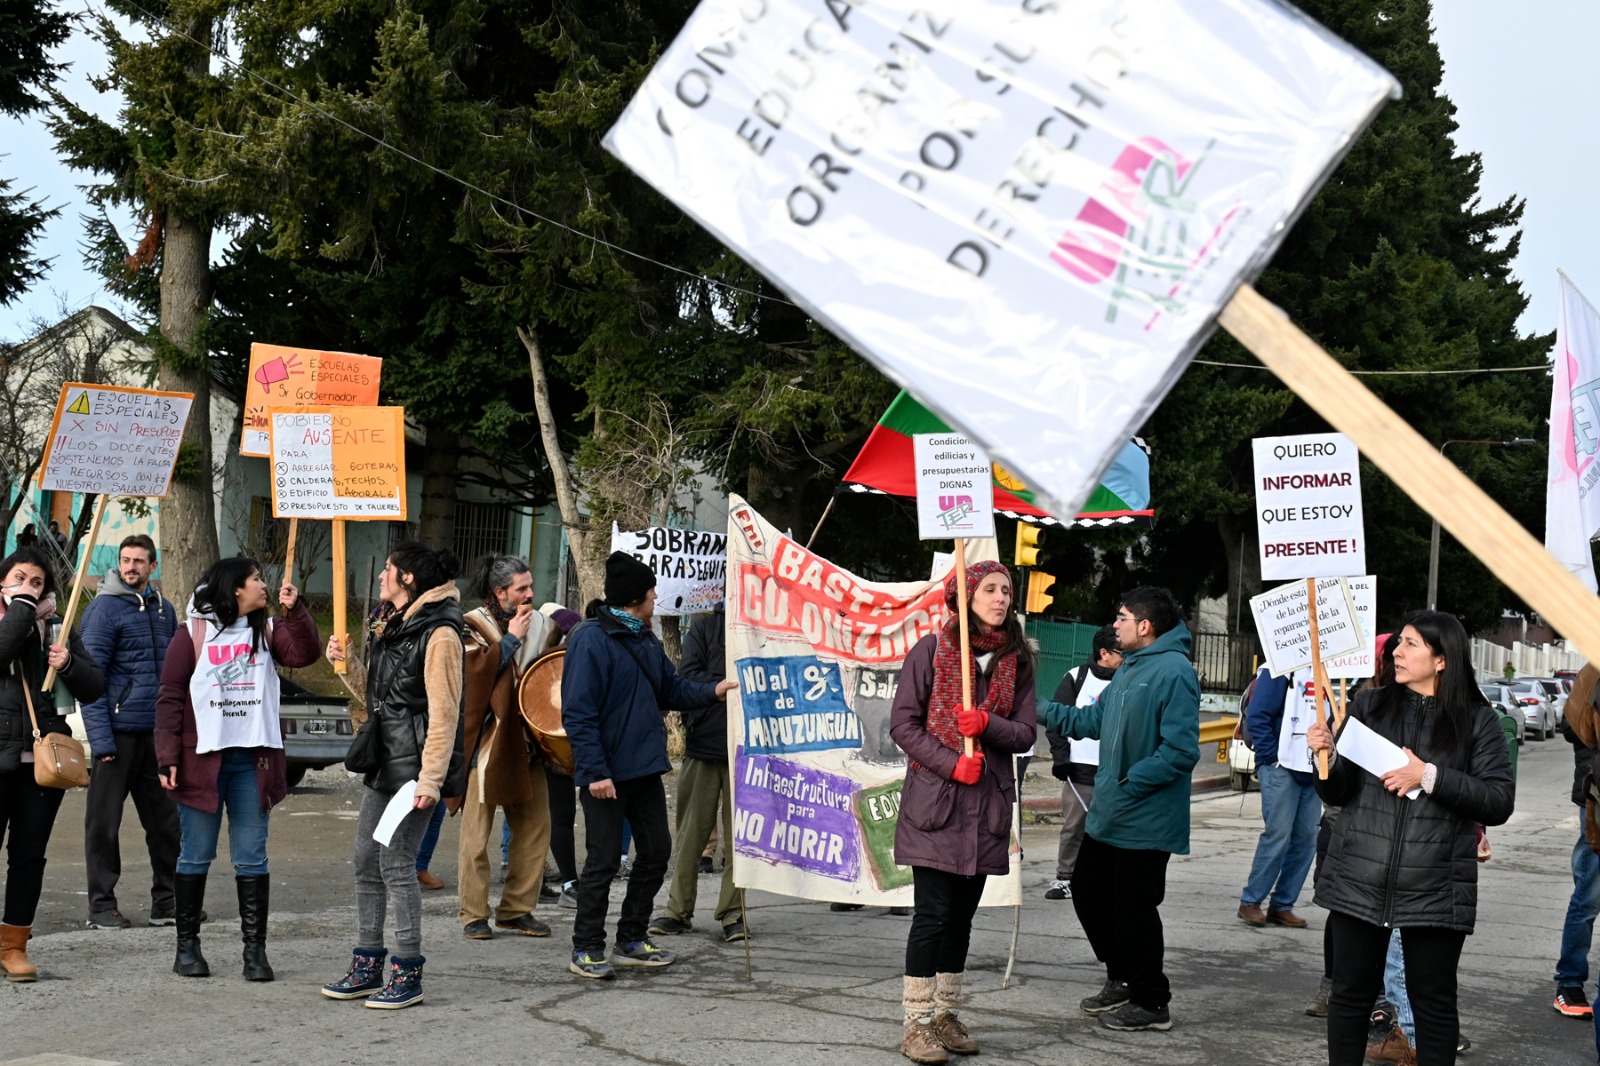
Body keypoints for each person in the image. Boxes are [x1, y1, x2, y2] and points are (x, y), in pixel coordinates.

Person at [1307, 611, 1514, 1066]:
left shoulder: (1478, 721)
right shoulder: (1369, 706)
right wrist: (1323, 758)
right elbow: (1339, 792)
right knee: (1350, 997)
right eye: (1398, 642)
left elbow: (1498, 801)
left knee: (1434, 1004)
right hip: (1360, 875)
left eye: (1411, 644)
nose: (1396, 652)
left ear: (1442, 660)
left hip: (1436, 885)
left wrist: (1430, 776)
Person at [561, 552, 735, 980]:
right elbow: (578, 713)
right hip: (607, 775)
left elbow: (670, 688)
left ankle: (631, 938)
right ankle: (586, 947)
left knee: (656, 852)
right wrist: (596, 771)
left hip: (644, 769)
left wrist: (715, 690)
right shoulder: (590, 639)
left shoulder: (644, 638)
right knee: (602, 862)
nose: (657, 595)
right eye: (651, 590)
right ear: (635, 598)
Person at [891, 560, 1037, 1064]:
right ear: (965, 597)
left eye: (1006, 591)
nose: (1001, 599)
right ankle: (916, 1023)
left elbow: (1024, 733)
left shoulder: (1017, 661)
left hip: (987, 809)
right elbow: (904, 726)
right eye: (990, 590)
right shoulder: (930, 651)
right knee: (932, 915)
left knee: (962, 919)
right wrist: (953, 764)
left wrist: (988, 723)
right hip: (937, 803)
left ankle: (945, 1013)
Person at [1039, 585, 1201, 1033]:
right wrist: (1032, 709)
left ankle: (1152, 1001)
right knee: (1088, 892)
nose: (1115, 625)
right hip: (1110, 814)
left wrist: (1131, 782)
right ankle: (1123, 976)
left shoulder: (1174, 672)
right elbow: (1089, 721)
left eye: (1122, 617)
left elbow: (1181, 751)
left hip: (1144, 818)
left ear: (1144, 626)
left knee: (1134, 909)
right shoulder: (1129, 669)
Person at [155, 557, 320, 981]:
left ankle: (255, 953)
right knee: (196, 854)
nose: (263, 585)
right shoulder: (191, 634)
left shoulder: (266, 631)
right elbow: (170, 697)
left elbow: (304, 653)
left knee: (251, 857)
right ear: (234, 589)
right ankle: (187, 947)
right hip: (201, 761)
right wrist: (167, 756)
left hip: (253, 762)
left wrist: (294, 612)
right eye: (255, 579)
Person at [320, 542, 464, 1009]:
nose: (382, 575)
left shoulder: (440, 633)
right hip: (385, 761)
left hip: (416, 768)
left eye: (388, 569)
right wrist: (344, 664)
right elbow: (379, 696)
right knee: (366, 860)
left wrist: (431, 780)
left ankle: (408, 971)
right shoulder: (393, 625)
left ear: (408, 579)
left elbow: (445, 714)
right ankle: (367, 965)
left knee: (396, 863)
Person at [0, 546, 106, 981]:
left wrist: (68, 664)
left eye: (38, 582)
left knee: (29, 856)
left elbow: (95, 685)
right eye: (20, 578)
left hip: (42, 763)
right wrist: (23, 609)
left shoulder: (57, 626)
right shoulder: (18, 617)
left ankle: (13, 947)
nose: (29, 586)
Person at [80, 534, 181, 930]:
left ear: (152, 566)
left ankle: (167, 901)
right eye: (125, 560)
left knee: (166, 823)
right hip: (116, 737)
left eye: (139, 561)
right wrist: (101, 741)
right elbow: (91, 681)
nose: (131, 567)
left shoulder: (164, 610)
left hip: (156, 737)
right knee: (103, 825)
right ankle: (102, 905)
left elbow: (174, 679)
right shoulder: (104, 610)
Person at [455, 553, 555, 941]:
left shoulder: (544, 626)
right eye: (522, 588)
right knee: (476, 836)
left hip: (529, 744)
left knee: (534, 830)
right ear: (500, 593)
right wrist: (511, 638)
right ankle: (473, 913)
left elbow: (550, 671)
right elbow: (472, 678)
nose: (530, 594)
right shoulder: (471, 624)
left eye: (531, 586)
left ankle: (516, 909)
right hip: (488, 744)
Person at [650, 601, 748, 943]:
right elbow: (687, 679)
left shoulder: (763, 629)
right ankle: (677, 911)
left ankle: (734, 915)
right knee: (692, 835)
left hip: (749, 752)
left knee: (742, 841)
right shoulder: (706, 628)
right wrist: (729, 682)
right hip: (705, 746)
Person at [1236, 663, 1320, 929]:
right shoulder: (1278, 668)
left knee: (1307, 838)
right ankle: (1251, 901)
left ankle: (1282, 904)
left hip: (1313, 764)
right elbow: (1258, 713)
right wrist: (1272, 757)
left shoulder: (1330, 669)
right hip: (1281, 764)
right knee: (1279, 835)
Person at [1043, 624, 1120, 901]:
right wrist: (1060, 757)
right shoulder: (1076, 677)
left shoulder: (1129, 679)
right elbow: (1056, 720)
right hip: (1079, 770)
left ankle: (1103, 881)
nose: (1125, 657)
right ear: (1104, 653)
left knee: (1111, 830)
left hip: (1114, 770)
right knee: (1074, 826)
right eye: (1119, 652)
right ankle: (1065, 878)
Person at [1554, 664, 1600, 1020]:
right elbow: (1571, 725)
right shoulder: (1593, 670)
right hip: (1597, 802)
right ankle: (1569, 982)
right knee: (1588, 895)